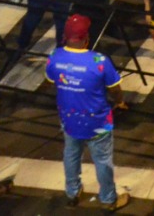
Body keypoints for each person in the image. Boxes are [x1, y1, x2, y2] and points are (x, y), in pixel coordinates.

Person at [46, 14, 127, 209]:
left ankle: (72, 192)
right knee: (102, 160)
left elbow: (52, 82)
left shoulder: (55, 57)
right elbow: (114, 88)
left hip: (69, 118)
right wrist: (120, 101)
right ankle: (108, 198)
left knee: (71, 154)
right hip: (97, 121)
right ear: (86, 38)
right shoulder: (99, 61)